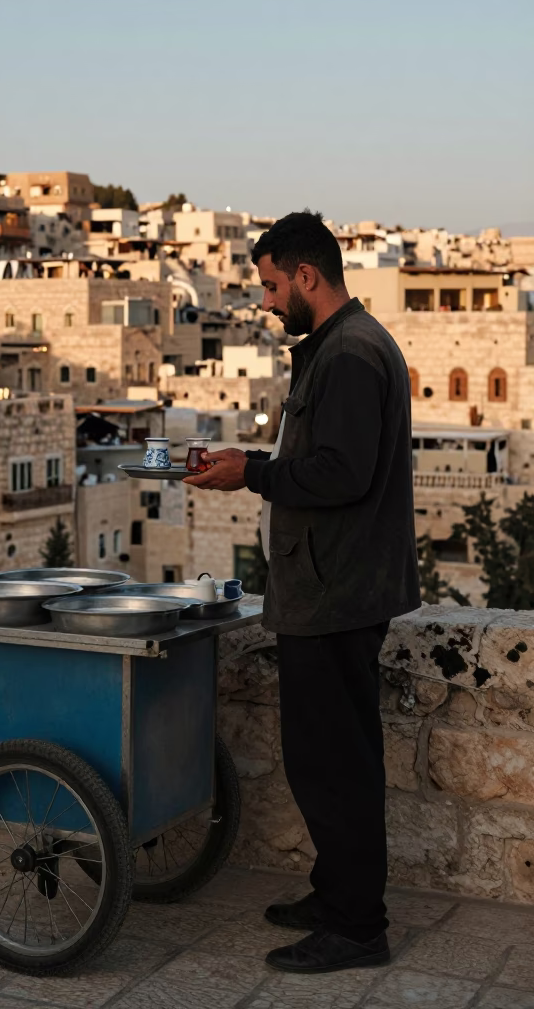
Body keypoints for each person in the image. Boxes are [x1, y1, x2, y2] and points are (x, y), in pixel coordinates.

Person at [184, 210, 419, 976]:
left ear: (307, 277)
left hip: (337, 592)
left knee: (334, 764)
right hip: (331, 586)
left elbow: (342, 476)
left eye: (271, 284)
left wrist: (248, 471)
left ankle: (356, 926)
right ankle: (336, 894)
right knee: (329, 757)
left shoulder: (350, 355)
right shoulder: (339, 345)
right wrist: (252, 461)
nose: (265, 300)